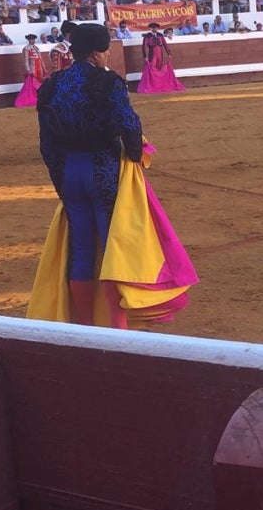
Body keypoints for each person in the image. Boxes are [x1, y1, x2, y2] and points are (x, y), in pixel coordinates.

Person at [34, 23, 144, 328]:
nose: (108, 54)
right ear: (97, 53)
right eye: (106, 50)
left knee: (81, 248)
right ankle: (117, 325)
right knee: (113, 248)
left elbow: (47, 144)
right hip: (102, 169)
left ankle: (84, 323)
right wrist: (134, 157)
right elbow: (129, 125)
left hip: (70, 171)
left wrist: (61, 183)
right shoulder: (108, 82)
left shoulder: (52, 85)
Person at [136, 22, 186, 93]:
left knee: (159, 69)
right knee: (153, 70)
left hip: (160, 55)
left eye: (156, 28)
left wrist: (169, 53)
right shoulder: (147, 36)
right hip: (152, 55)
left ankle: (158, 85)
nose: (155, 29)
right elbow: (144, 47)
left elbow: (165, 44)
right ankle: (153, 85)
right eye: (153, 28)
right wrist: (145, 56)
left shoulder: (160, 35)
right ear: (150, 28)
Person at [15, 33, 46, 107]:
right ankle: (33, 99)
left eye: (34, 39)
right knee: (32, 85)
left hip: (39, 69)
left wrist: (44, 68)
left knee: (40, 83)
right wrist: (29, 70)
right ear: (29, 40)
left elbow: (41, 59)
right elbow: (25, 60)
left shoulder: (36, 48)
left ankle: (39, 98)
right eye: (31, 39)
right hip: (33, 69)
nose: (33, 41)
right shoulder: (26, 48)